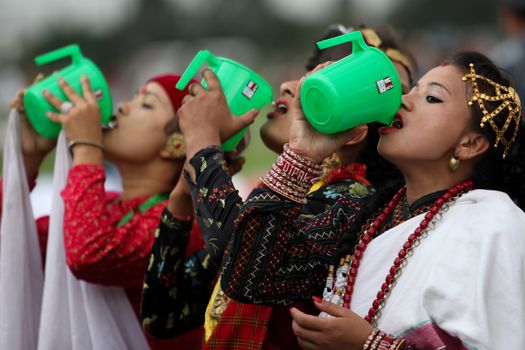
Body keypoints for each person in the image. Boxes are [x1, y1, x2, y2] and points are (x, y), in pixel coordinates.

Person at [220, 51, 525, 349]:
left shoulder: (490, 223)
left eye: (431, 98)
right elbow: (248, 280)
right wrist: (304, 151)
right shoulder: (362, 215)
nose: (403, 100)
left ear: (469, 144)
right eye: (414, 89)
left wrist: (369, 344)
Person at [150, 25, 415, 349]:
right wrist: (182, 193)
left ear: (356, 128)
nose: (289, 85)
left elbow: (241, 260)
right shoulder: (285, 195)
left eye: (326, 82)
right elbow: (163, 315)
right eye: (310, 74)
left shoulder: (350, 203)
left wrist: (203, 146)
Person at [6, 73, 204, 349]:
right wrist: (29, 159)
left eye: (146, 104)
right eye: (133, 97)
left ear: (177, 144)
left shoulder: (182, 226)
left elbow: (89, 254)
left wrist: (87, 148)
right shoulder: (107, 205)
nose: (122, 106)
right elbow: (12, 247)